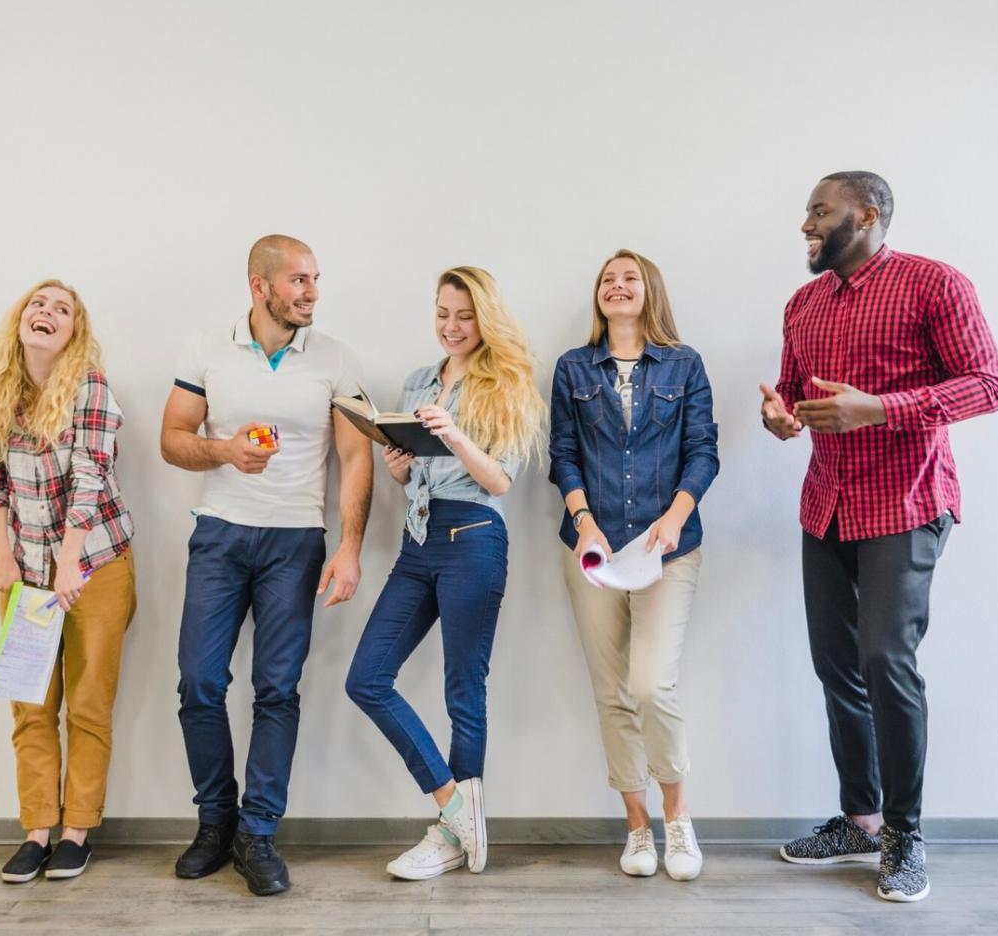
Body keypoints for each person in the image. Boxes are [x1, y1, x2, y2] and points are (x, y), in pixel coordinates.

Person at [764, 171, 998, 903]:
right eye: (806, 212)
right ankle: (860, 821)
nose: (805, 223)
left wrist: (883, 408)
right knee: (836, 666)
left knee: (884, 662)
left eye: (819, 211)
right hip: (825, 508)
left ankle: (904, 835)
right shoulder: (801, 304)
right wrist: (784, 418)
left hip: (905, 504)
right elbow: (794, 399)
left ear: (867, 216)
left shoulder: (935, 284)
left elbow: (987, 384)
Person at [161, 234, 373, 896]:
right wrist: (223, 451)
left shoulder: (335, 360)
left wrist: (349, 545)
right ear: (260, 287)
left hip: (294, 541)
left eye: (315, 280)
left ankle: (257, 834)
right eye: (298, 281)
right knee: (198, 682)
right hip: (220, 536)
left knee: (276, 688)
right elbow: (172, 439)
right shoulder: (206, 347)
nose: (311, 292)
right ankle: (214, 821)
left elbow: (357, 456)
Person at [344, 267, 544, 880]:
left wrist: (454, 434)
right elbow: (412, 478)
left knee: (464, 691)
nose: (451, 327)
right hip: (419, 541)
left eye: (463, 315)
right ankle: (456, 807)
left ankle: (450, 838)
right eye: (442, 314)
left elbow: (501, 480)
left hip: (474, 541)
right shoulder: (416, 381)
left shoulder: (506, 381)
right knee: (366, 679)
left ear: (484, 318)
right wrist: (399, 466)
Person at [548, 250, 719, 881]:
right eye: (607, 279)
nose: (617, 287)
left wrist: (673, 519)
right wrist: (584, 519)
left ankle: (677, 817)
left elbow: (703, 449)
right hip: (591, 546)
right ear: (598, 296)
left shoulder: (684, 363)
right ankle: (637, 827)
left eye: (630, 279)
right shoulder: (573, 367)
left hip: (667, 546)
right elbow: (561, 452)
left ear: (649, 293)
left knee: (651, 683)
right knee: (612, 691)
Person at [0, 279, 137, 883]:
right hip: (26, 572)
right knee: (30, 704)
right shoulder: (0, 392)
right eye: (38, 305)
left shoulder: (90, 387)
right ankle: (37, 830)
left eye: (60, 310)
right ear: (21, 319)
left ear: (74, 331)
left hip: (95, 564)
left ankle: (76, 832)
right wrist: (3, 559)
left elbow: (91, 477)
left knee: (88, 704)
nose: (46, 313)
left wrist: (70, 564)